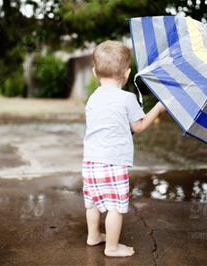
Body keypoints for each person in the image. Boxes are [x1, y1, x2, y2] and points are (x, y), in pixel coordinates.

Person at [82, 40, 165, 257]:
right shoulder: (127, 98)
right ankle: (111, 247)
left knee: (92, 202)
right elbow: (138, 127)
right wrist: (158, 107)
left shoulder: (92, 99)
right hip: (114, 163)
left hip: (90, 161)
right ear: (127, 74)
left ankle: (93, 236)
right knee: (115, 207)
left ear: (94, 72)